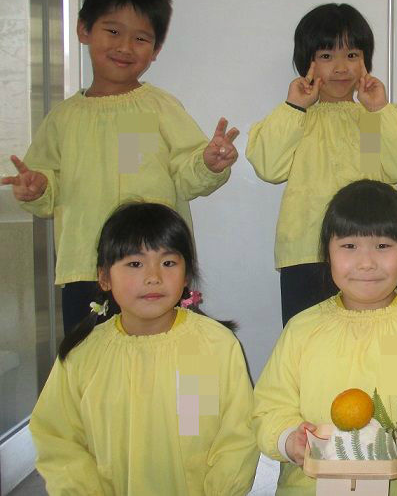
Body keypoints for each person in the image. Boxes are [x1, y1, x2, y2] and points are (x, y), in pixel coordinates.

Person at [2, 0, 239, 335]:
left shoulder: (159, 107)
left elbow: (187, 175)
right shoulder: (63, 118)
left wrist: (209, 164)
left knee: (167, 356)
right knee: (90, 358)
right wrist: (37, 189)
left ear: (156, 50)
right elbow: (47, 188)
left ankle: (180, 384)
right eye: (113, 31)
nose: (125, 47)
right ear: (84, 29)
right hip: (86, 270)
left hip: (155, 268)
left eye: (141, 38)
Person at [253, 180, 397, 495]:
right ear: (327, 253)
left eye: (383, 246)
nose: (366, 263)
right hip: (311, 487)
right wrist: (289, 438)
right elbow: (269, 406)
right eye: (349, 246)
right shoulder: (302, 330)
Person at [29, 202, 258, 495]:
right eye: (135, 264)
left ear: (186, 275)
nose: (153, 277)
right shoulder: (82, 355)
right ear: (104, 277)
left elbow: (238, 435)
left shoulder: (216, 345)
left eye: (168, 263)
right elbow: (57, 438)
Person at [246, 4, 397, 325]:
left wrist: (380, 110)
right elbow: (269, 166)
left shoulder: (370, 120)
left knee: (369, 339)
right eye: (327, 56)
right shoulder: (298, 118)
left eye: (352, 55)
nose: (341, 67)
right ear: (307, 62)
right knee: (307, 343)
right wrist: (294, 106)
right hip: (307, 253)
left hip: (369, 254)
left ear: (365, 60)